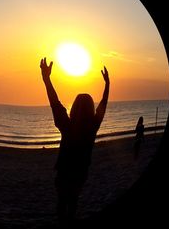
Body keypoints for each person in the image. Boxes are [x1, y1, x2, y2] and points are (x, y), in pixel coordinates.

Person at [40, 57, 110, 222]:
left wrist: (46, 79)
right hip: (80, 175)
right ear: (90, 109)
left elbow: (54, 102)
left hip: (63, 173)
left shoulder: (66, 125)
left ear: (75, 107)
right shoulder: (92, 128)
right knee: (73, 203)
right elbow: (103, 105)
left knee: (62, 203)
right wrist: (107, 84)